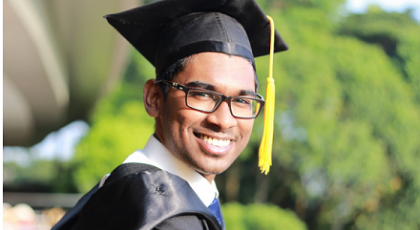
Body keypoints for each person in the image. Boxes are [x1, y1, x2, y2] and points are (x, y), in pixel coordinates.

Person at [52, 0, 288, 229]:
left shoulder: (126, 193)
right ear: (154, 98)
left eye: (242, 101)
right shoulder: (159, 214)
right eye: (202, 94)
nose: (224, 120)